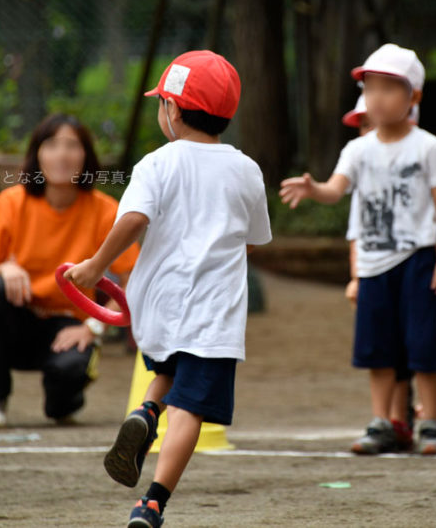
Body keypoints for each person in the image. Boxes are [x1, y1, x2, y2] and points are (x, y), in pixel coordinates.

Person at [64, 50, 271, 527]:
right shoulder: (246, 170)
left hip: (158, 302)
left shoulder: (155, 164)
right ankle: (153, 501)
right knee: (193, 409)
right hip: (214, 311)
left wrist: (97, 266)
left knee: (172, 367)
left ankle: (147, 408)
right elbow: (254, 241)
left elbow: (134, 218)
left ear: (172, 110)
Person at [280, 43, 436, 456]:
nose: (376, 97)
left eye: (388, 88)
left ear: (414, 96)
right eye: (371, 88)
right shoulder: (358, 149)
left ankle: (431, 422)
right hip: (374, 265)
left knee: (422, 346)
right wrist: (313, 190)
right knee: (378, 349)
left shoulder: (428, 146)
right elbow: (335, 189)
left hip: (418, 259)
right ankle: (381, 422)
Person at [0, 113, 140, 429]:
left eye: (72, 146)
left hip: (68, 326)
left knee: (64, 400)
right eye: (52, 145)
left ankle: (64, 398)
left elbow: (134, 285)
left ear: (86, 156)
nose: (62, 155)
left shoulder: (106, 210)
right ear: (37, 154)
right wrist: (4, 269)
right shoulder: (10, 203)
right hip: (18, 317)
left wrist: (92, 327)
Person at [343, 93, 416, 449]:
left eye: (368, 125)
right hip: (376, 273)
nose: (365, 133)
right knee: (383, 349)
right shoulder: (361, 180)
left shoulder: (415, 164)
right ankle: (390, 419)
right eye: (361, 127)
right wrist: (358, 277)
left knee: (406, 349)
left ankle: (403, 419)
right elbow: (356, 236)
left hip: (411, 272)